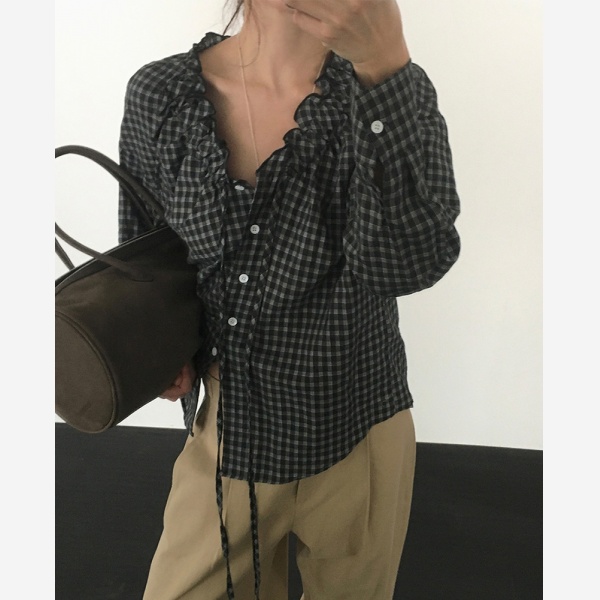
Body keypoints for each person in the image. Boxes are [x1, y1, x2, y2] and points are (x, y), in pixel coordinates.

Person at [118, 1, 461, 598]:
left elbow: (407, 265)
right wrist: (162, 343)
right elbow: (145, 256)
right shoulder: (163, 94)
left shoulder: (390, 90)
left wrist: (385, 65)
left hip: (360, 424)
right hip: (230, 431)